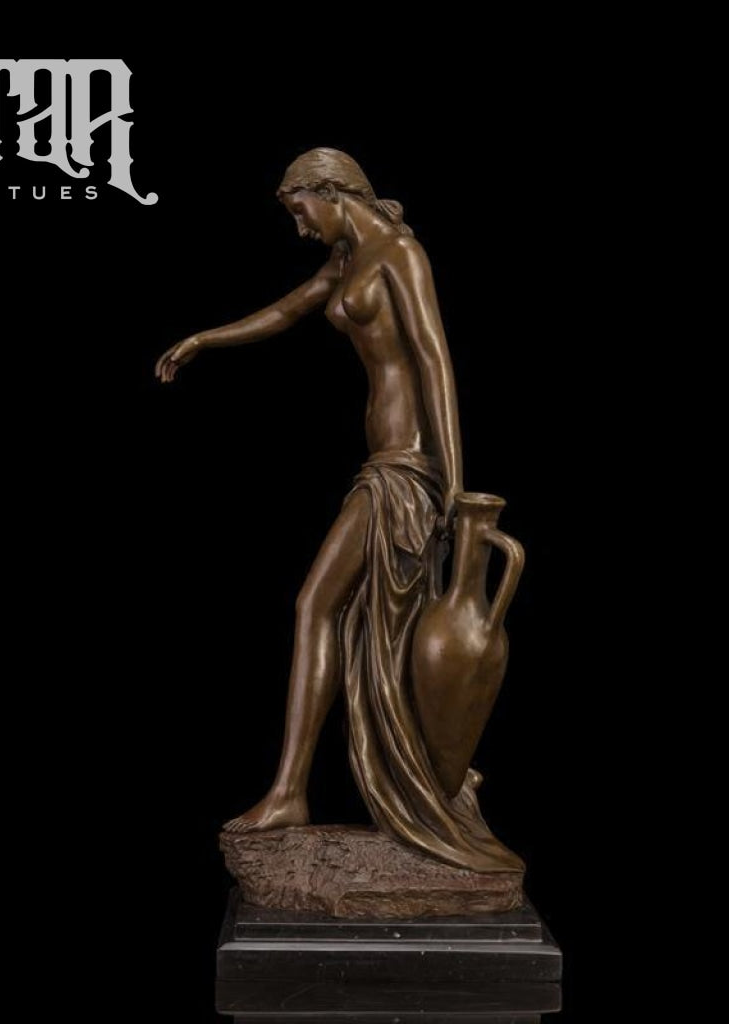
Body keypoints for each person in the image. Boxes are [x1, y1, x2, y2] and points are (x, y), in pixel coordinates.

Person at [156, 148, 521, 872]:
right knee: (335, 612)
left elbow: (435, 362)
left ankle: (291, 790)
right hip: (382, 466)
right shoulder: (349, 260)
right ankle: (308, 788)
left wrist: (454, 489)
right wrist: (204, 339)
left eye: (301, 211)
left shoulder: (400, 255)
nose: (300, 228)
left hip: (408, 471)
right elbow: (285, 310)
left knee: (315, 603)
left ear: (331, 192)